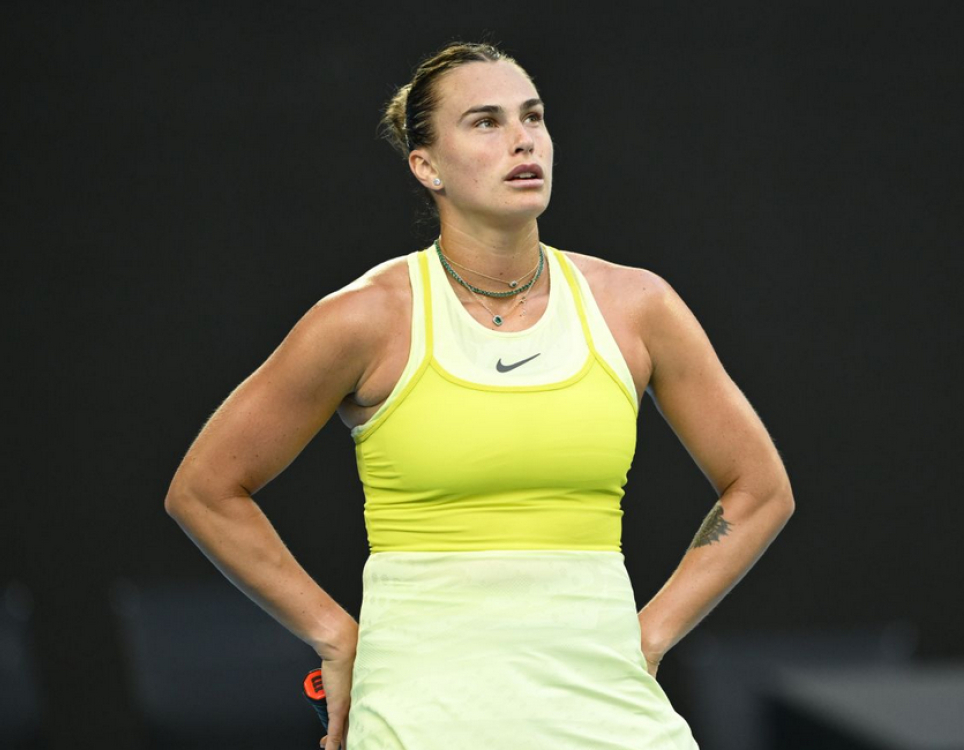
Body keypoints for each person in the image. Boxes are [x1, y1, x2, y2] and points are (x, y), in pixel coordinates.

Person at [165, 41, 794, 750]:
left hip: (612, 718)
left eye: (533, 116)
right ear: (426, 166)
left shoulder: (637, 306)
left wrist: (648, 637)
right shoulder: (365, 318)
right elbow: (205, 490)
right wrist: (334, 635)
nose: (523, 139)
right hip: (419, 722)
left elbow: (760, 488)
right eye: (486, 122)